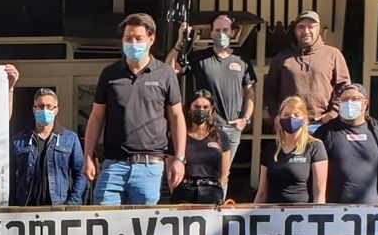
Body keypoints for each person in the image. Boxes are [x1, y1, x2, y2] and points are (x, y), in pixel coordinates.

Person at [83, 12, 187, 205]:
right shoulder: (110, 74)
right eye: (128, 38)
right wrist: (88, 156)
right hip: (113, 164)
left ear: (151, 39)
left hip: (150, 166)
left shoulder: (165, 74)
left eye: (138, 38)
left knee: (143, 223)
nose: (133, 43)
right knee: (103, 217)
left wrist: (179, 159)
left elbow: (176, 117)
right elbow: (96, 117)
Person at [166, 13, 255, 155]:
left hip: (231, 128)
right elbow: (169, 71)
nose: (221, 34)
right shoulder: (199, 58)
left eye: (225, 30)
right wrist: (179, 41)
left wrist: (245, 119)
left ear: (232, 32)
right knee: (202, 167)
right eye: (217, 30)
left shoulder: (241, 60)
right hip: (204, 127)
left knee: (224, 169)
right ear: (211, 33)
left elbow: (250, 93)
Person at [316, 83, 378, 205]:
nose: (349, 103)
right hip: (334, 210)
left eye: (355, 99)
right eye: (345, 99)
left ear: (365, 103)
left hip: (375, 210)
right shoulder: (326, 132)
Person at [263, 11, 350, 133]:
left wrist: (332, 113)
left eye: (311, 27)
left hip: (324, 124)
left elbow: (344, 89)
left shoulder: (333, 54)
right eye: (301, 27)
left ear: (318, 29)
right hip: (291, 124)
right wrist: (277, 116)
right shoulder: (282, 57)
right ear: (295, 30)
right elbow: (270, 90)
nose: (306, 31)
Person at [10, 88, 86, 206]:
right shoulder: (19, 140)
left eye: (49, 106)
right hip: (25, 208)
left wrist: (71, 204)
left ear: (56, 110)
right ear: (34, 109)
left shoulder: (69, 139)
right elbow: (9, 175)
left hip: (58, 207)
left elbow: (81, 174)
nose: (45, 110)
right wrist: (13, 205)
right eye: (40, 106)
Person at [255, 96, 327, 204]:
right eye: (286, 115)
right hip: (272, 211)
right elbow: (262, 193)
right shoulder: (270, 150)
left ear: (305, 119)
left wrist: (317, 213)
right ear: (279, 119)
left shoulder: (314, 147)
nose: (291, 118)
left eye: (297, 115)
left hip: (302, 211)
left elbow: (319, 193)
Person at [170, 91, 232, 205]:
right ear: (189, 109)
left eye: (205, 107)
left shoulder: (221, 136)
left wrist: (219, 190)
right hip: (184, 193)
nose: (201, 110)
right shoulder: (178, 136)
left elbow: (225, 173)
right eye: (197, 107)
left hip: (212, 194)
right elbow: (170, 169)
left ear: (211, 109)